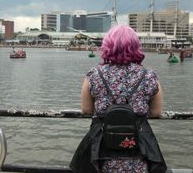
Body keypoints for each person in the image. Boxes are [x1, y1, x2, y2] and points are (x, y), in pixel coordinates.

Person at [70, 25, 167, 173]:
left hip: (102, 153)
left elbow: (86, 110)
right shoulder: (149, 75)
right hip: (138, 152)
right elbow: (156, 112)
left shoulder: (94, 75)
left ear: (107, 46)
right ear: (135, 47)